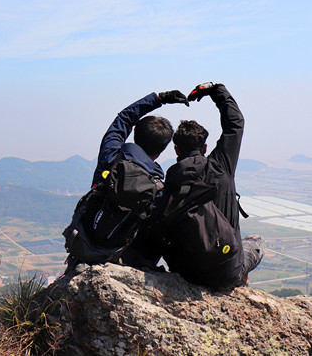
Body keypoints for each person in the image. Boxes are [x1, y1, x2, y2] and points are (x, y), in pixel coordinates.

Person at [162, 82, 264, 290]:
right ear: (205, 147)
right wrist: (215, 90)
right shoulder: (220, 166)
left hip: (188, 274)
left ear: (176, 150)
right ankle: (241, 281)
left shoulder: (170, 180)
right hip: (227, 272)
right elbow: (235, 123)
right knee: (257, 242)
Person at [89, 89, 189, 267]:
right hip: (124, 258)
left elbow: (124, 119)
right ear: (162, 149)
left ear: (135, 135)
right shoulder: (157, 188)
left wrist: (159, 98)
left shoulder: (110, 156)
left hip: (86, 240)